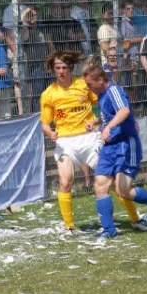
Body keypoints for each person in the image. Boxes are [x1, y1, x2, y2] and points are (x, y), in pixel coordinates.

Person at [83, 64, 147, 239]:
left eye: (89, 84)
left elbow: (124, 111)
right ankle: (109, 230)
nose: (88, 88)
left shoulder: (114, 91)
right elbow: (109, 115)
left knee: (122, 190)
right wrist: (96, 122)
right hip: (109, 147)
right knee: (100, 184)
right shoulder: (101, 95)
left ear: (100, 80)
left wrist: (108, 126)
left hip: (126, 144)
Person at [39, 51, 103, 233]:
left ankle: (131, 218)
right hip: (65, 141)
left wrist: (97, 120)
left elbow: (101, 104)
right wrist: (50, 132)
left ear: (71, 68)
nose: (61, 71)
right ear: (53, 70)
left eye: (64, 68)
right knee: (66, 181)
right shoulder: (49, 94)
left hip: (89, 138)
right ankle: (69, 226)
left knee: (108, 178)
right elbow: (44, 122)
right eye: (57, 68)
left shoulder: (84, 85)